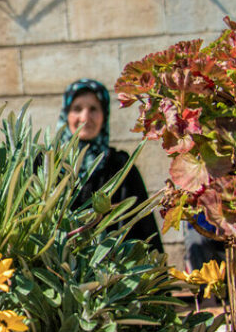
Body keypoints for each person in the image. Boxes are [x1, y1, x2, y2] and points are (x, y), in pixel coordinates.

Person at [57, 78, 164, 253]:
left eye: (93, 109)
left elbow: (143, 229)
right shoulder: (47, 165)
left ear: (104, 114)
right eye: (77, 109)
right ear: (66, 113)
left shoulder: (119, 166)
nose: (85, 117)